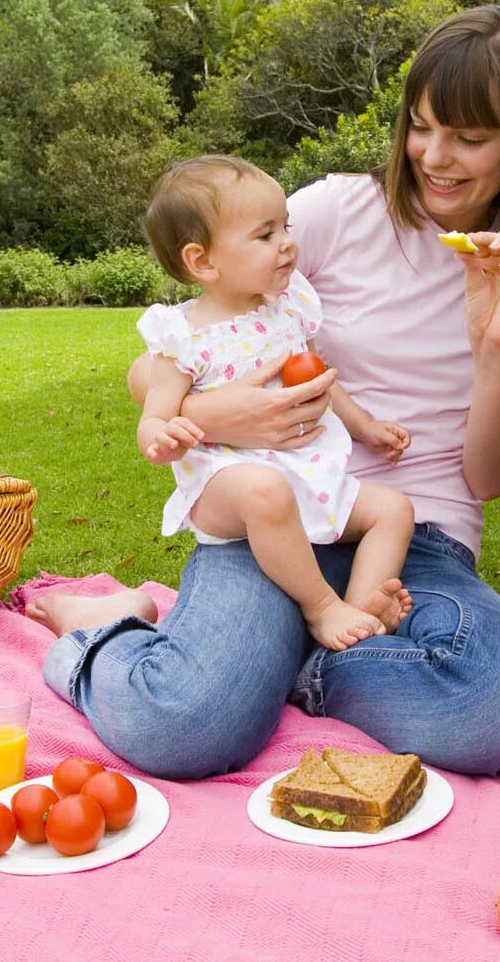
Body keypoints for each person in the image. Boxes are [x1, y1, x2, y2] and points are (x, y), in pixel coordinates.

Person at [26, 4, 500, 778]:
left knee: (492, 710)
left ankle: (285, 660)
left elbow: (488, 479)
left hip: (414, 539)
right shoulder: (335, 211)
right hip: (270, 519)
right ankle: (108, 632)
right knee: (184, 729)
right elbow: (159, 363)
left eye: (471, 137)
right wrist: (212, 413)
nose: (435, 156)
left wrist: (494, 346)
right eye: (421, 126)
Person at [134, 154, 415, 651]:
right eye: (265, 235)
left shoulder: (285, 310)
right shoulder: (182, 336)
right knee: (265, 492)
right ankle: (323, 607)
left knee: (393, 509)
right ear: (203, 261)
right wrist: (162, 437)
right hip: (228, 487)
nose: (287, 242)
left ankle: (365, 604)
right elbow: (157, 412)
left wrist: (365, 426)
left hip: (301, 474)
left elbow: (315, 381)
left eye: (284, 226)